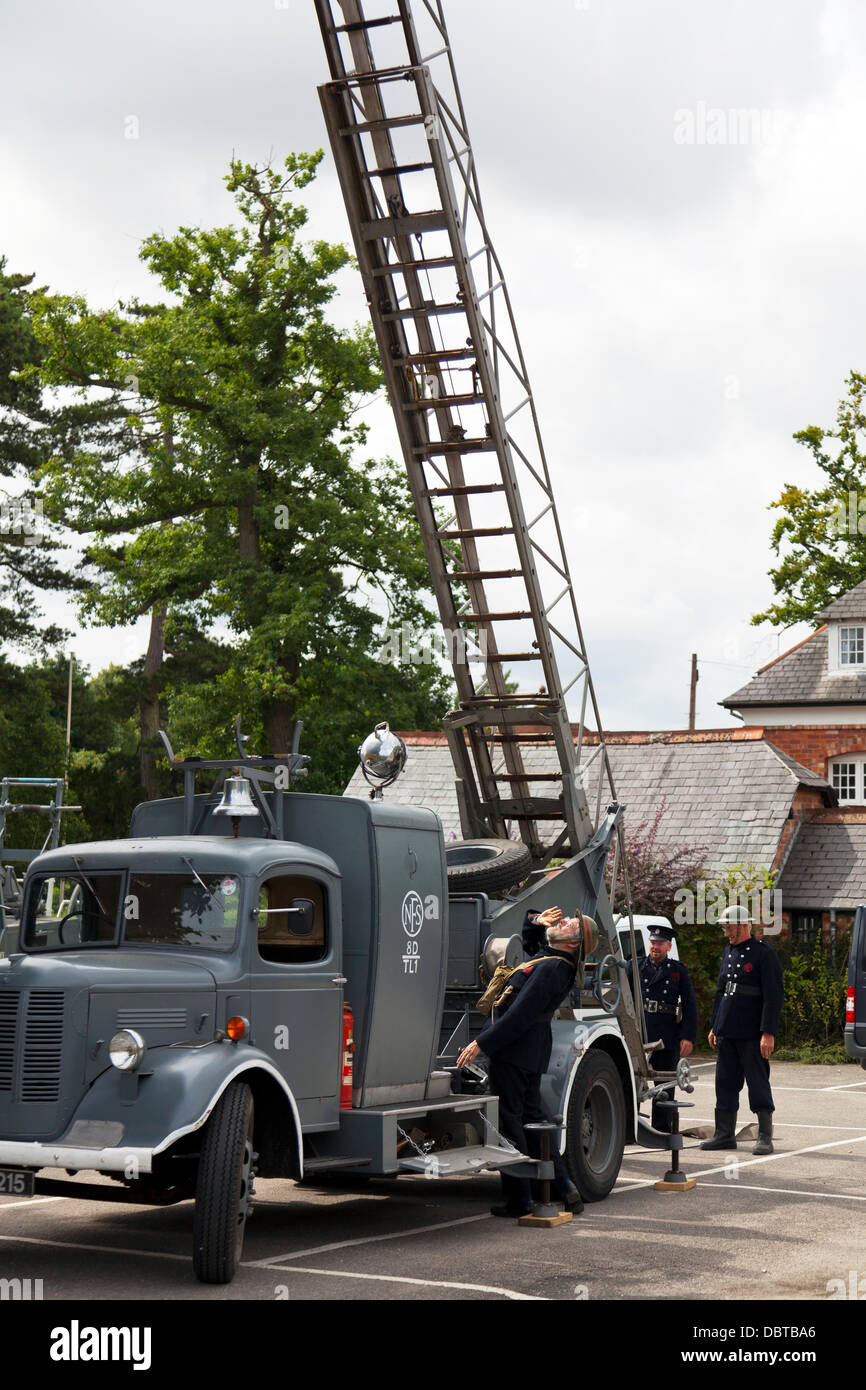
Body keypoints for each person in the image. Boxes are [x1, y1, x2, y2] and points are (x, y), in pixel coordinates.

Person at [456, 905, 587, 1218]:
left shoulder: (554, 967)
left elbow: (520, 1015)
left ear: (572, 944)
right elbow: (532, 945)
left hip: (517, 1049)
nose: (564, 921)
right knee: (532, 1117)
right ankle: (563, 1184)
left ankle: (521, 1198)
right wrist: (535, 922)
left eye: (570, 925)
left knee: (510, 1122)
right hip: (527, 1050)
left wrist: (482, 1042)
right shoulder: (553, 959)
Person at [700, 904, 784, 1156]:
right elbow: (721, 992)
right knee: (725, 1084)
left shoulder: (763, 954)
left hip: (752, 1033)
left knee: (757, 1084)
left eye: (729, 927)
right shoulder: (728, 952)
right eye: (724, 928)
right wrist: (715, 1024)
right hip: (728, 1030)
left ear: (743, 925)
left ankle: (764, 1136)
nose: (726, 932)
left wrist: (768, 1032)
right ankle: (724, 1135)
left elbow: (773, 996)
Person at [626, 924, 697, 1132]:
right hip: (639, 1031)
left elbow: (690, 1005)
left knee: (665, 1083)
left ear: (668, 946)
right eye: (653, 942)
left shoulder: (678, 970)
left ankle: (662, 1128)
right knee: (633, 1080)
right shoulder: (634, 966)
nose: (655, 947)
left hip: (666, 1033)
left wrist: (688, 1036)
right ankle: (631, 1127)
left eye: (660, 943)